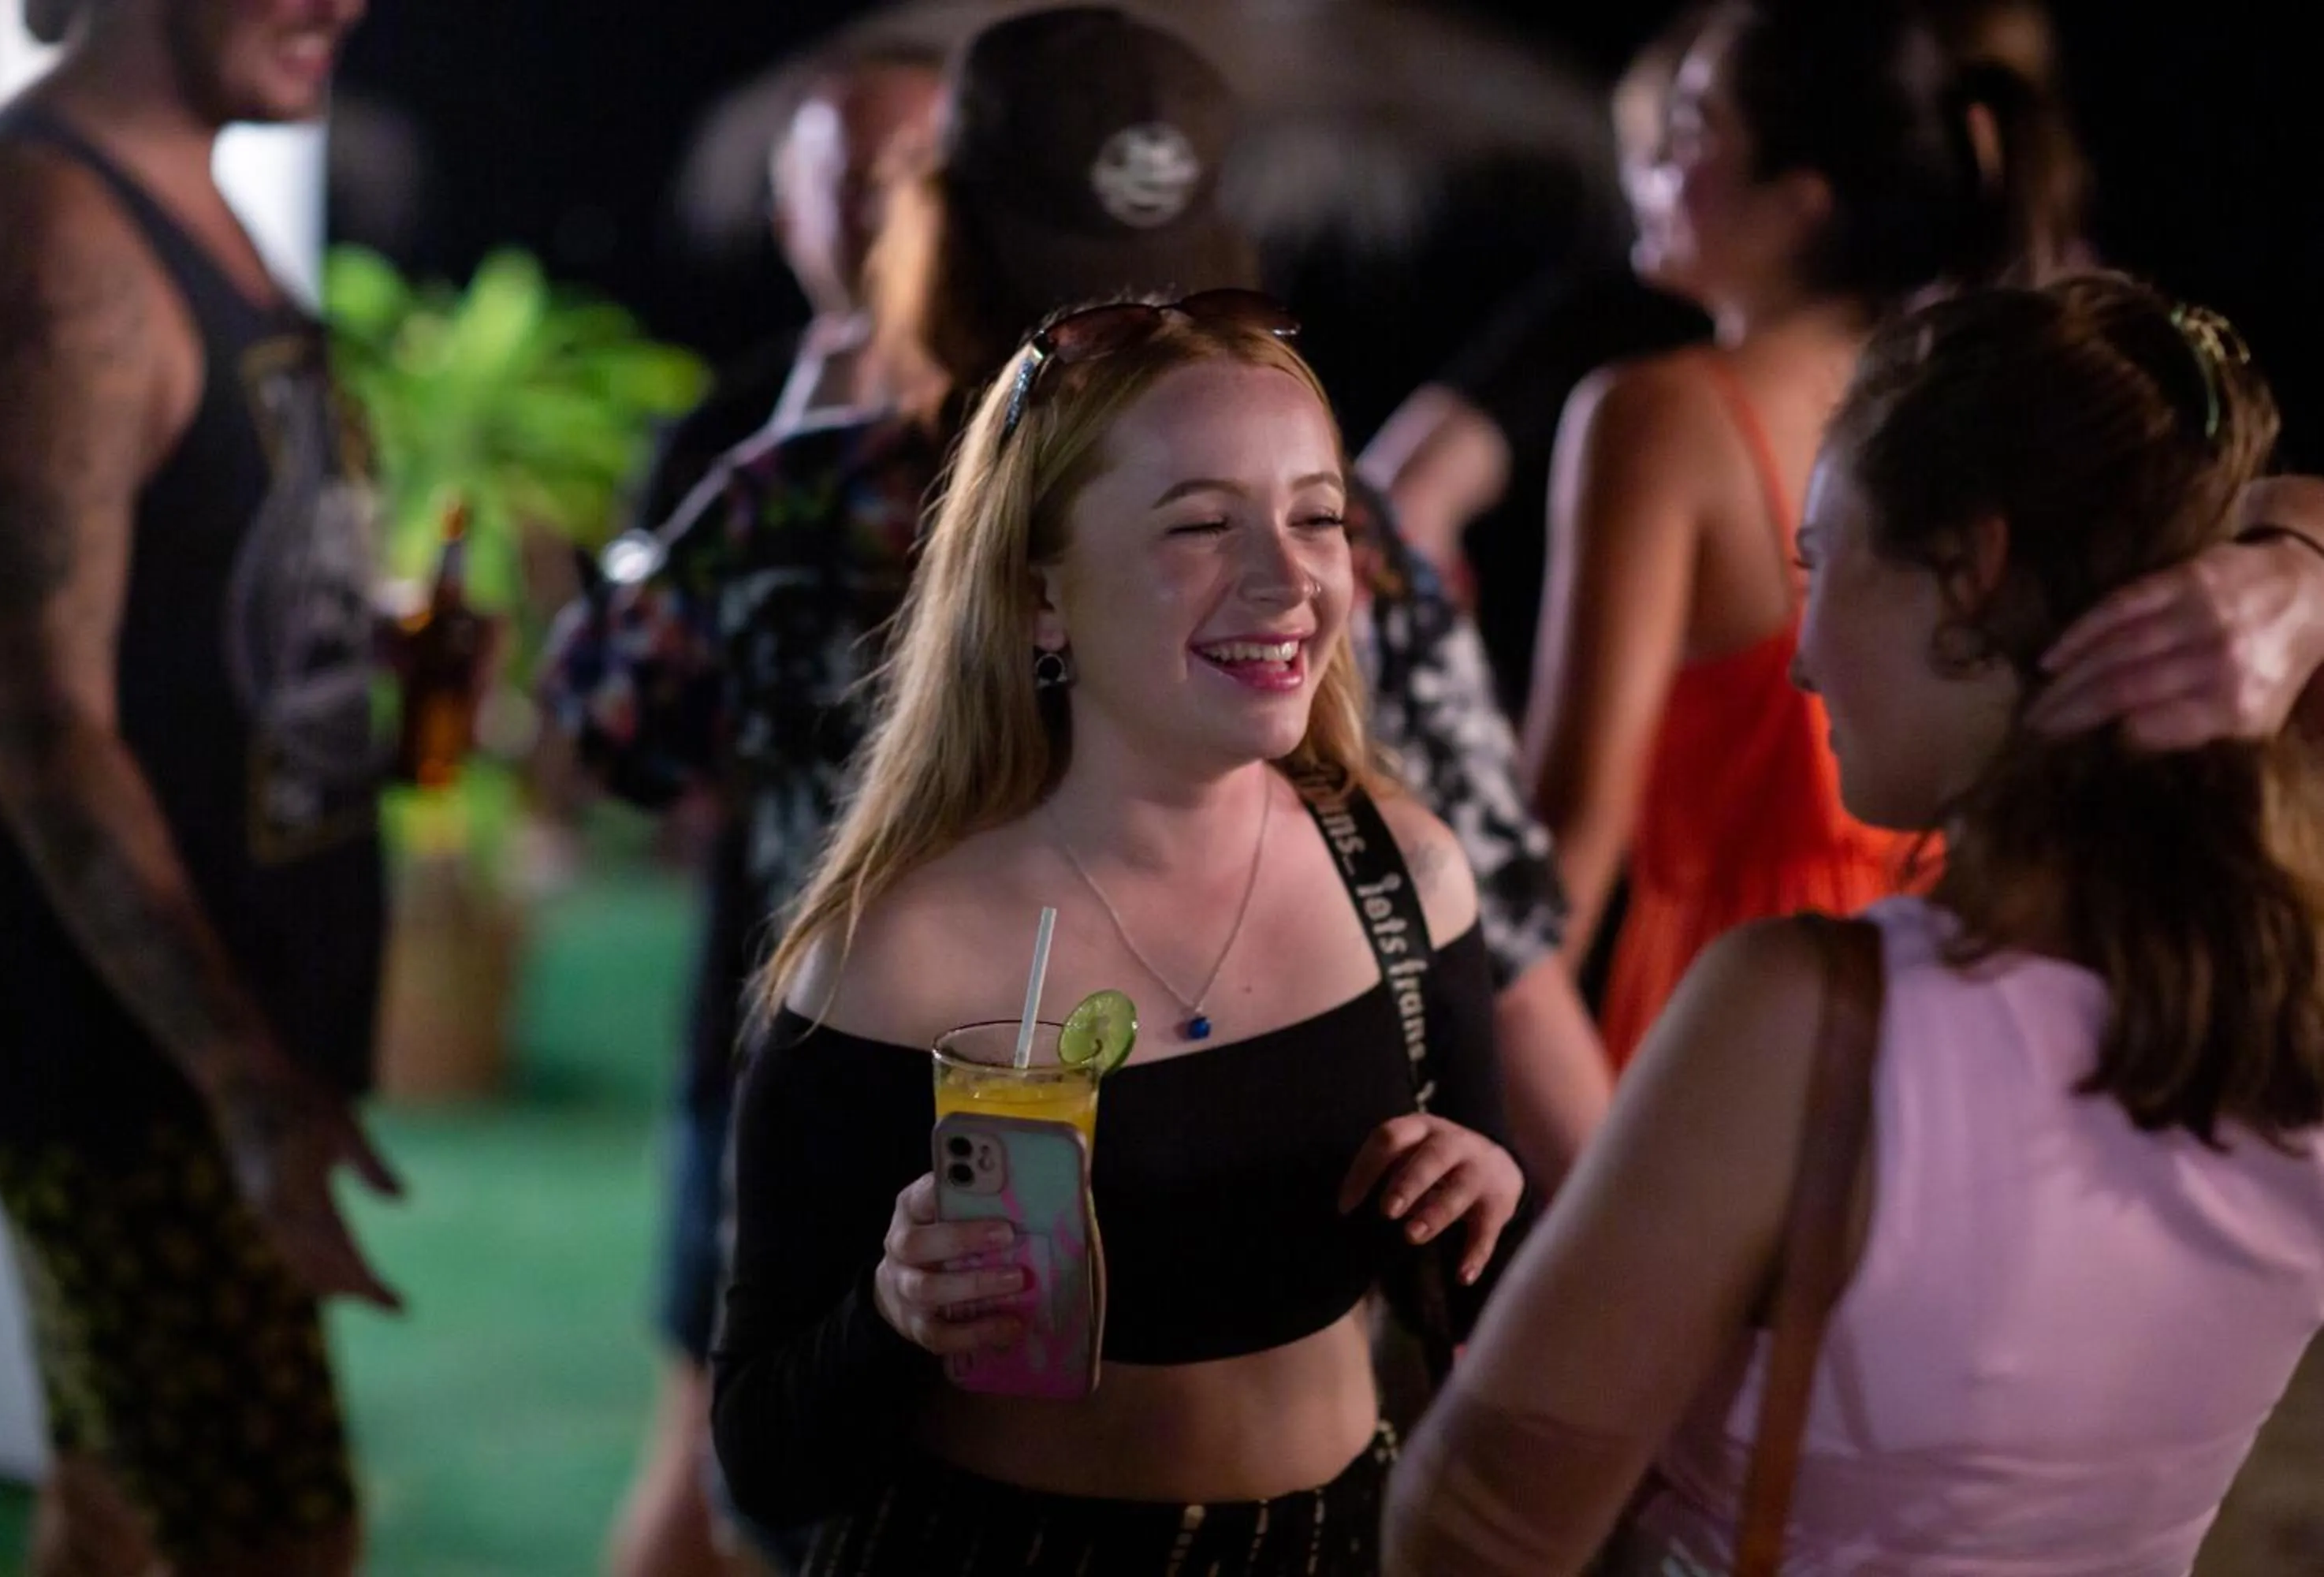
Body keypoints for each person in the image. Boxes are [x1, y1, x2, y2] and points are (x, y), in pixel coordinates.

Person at [545, 6, 1605, 1205]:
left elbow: (604, 725)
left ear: (935, 244)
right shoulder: (1344, 536)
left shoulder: (801, 500)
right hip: (1065, 1190)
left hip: (869, 1165)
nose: (1120, 352)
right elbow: (1512, 958)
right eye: (1080, 315)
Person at [1384, 274, 2324, 1574]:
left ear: (1969, 573)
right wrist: (2298, 565)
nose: (1805, 654)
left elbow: (1474, 1530)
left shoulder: (1813, 1018)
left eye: (1817, 563)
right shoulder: (2290, 991)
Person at [711, 285, 1523, 1574]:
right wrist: (894, 1312)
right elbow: (765, 1457)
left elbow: (1471, 1297)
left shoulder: (1404, 876)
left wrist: (1485, 1196)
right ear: (1042, 597)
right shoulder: (894, 957)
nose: (1287, 578)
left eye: (1317, 515)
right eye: (1201, 524)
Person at [0, 1, 400, 1574]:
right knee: (281, 1536)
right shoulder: (49, 227)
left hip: (191, 1039)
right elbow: (37, 718)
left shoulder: (177, 190)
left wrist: (367, 645)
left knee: (111, 1510)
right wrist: (242, 1081)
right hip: (130, 1066)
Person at [1522, 0, 2087, 1066]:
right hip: (1944, 1000)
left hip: (1728, 1014)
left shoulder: (1661, 416)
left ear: (1798, 203)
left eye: (1691, 133)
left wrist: (1489, 1095)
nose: (1651, 166)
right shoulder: (1957, 405)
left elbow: (1573, 828)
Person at [597, 43, 944, 1577]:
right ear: (783, 204)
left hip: (978, 1023)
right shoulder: (735, 437)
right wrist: (781, 477)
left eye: (911, 171)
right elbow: (635, 739)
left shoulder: (1039, 427)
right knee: (712, 1422)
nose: (876, 209)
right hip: (756, 1008)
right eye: (840, 176)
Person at [1355, 4, 1714, 721]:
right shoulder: (1613, 318)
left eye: (1670, 152)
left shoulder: (1618, 318)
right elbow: (1399, 504)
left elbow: (1400, 500)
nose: (1653, 186)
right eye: (1649, 158)